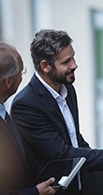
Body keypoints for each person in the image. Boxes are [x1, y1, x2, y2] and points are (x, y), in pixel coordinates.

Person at [10, 29, 103, 195]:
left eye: (73, 57)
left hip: (80, 187)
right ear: (45, 66)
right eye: (66, 61)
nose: (74, 64)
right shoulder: (25, 104)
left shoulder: (68, 89)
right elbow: (62, 154)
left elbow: (75, 140)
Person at [0, 42, 57, 195]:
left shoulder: (3, 113)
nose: (22, 76)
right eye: (21, 72)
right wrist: (35, 192)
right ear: (9, 81)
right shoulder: (22, 105)